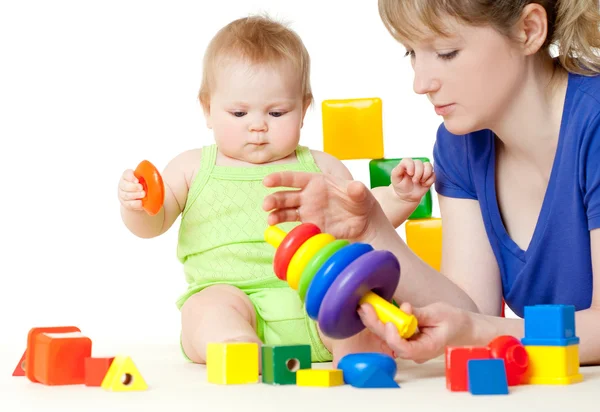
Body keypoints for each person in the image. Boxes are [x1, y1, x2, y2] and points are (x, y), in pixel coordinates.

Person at [263, 0, 600, 365]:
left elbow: (484, 327)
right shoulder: (461, 144)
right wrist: (372, 231)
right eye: (412, 51)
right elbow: (470, 310)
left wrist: (478, 331)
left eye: (446, 52)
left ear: (529, 30)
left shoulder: (593, 125)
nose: (420, 84)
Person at [116, 15, 434, 367]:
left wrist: (401, 196)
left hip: (315, 300)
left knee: (353, 301)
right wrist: (137, 207)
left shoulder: (321, 166)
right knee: (205, 308)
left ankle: (361, 355)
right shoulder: (191, 168)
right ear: (207, 109)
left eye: (277, 112)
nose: (257, 126)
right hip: (233, 298)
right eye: (238, 112)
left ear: (303, 110)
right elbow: (152, 224)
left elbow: (363, 221)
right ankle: (237, 348)